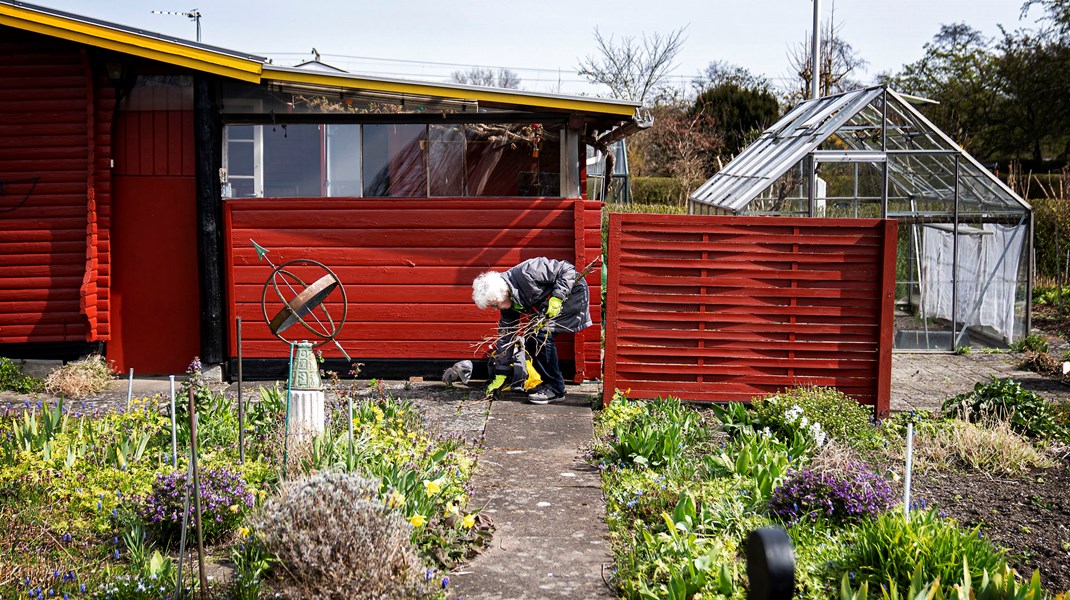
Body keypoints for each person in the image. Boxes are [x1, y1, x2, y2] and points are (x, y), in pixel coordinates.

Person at [471, 257, 592, 404]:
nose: (496, 309)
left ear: (503, 292)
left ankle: (555, 389)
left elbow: (567, 269)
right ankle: (550, 384)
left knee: (540, 336)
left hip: (572, 294)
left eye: (495, 305)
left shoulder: (527, 271)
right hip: (551, 303)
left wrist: (557, 297)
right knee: (530, 340)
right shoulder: (508, 304)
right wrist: (501, 373)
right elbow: (505, 338)